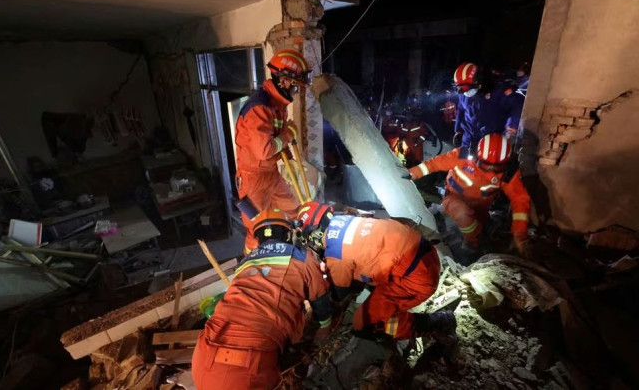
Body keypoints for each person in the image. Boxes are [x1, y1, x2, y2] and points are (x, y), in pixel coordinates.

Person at [192, 209, 333, 390]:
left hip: (203, 357)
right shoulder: (301, 257)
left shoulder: (244, 263)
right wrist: (325, 327)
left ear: (257, 237)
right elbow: (320, 296)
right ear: (288, 234)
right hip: (249, 363)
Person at [296, 202, 457, 341]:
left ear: (315, 232)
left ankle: (438, 323)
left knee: (364, 322)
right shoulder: (347, 219)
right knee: (367, 278)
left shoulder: (335, 254)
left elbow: (340, 293)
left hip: (417, 278)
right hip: (425, 254)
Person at [235, 48, 311, 254]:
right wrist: (289, 134)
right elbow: (265, 150)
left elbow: (276, 141)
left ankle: (298, 256)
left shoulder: (278, 104)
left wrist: (288, 153)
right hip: (252, 179)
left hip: (271, 174)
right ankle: (251, 263)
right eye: (295, 85)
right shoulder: (259, 108)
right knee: (256, 228)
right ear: (284, 80)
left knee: (294, 211)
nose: (296, 91)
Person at [409, 133, 530, 252]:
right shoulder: (462, 156)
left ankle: (475, 239)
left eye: (496, 167)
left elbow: (520, 200)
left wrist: (519, 234)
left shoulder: (509, 174)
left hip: (480, 210)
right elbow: (433, 164)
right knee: (463, 215)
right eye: (486, 165)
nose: (491, 169)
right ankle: (473, 243)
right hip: (453, 199)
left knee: (479, 227)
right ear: (477, 156)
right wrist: (411, 173)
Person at [452, 62, 524, 150]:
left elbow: (516, 104)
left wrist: (512, 125)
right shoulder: (463, 94)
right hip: (468, 139)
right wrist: (458, 130)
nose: (463, 91)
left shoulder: (497, 91)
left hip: (491, 141)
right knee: (463, 158)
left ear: (477, 82)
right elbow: (460, 109)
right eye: (459, 88)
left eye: (465, 87)